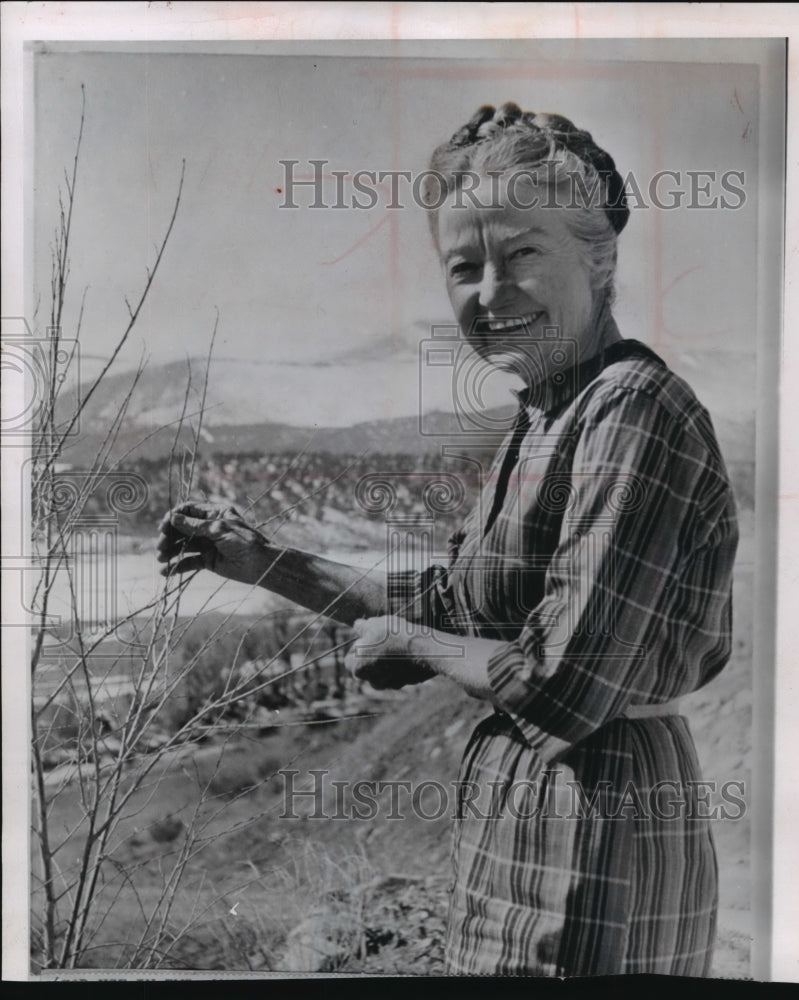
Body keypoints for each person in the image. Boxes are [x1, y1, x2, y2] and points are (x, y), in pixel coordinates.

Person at [156, 102, 739, 976]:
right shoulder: (542, 416)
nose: (489, 294)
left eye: (522, 254)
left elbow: (562, 683)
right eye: (463, 266)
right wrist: (265, 559)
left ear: (600, 254)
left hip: (600, 837)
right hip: (522, 830)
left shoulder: (632, 410)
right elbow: (451, 605)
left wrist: (416, 646)